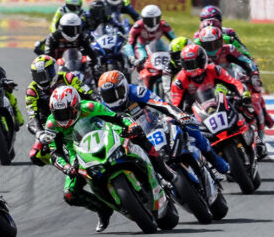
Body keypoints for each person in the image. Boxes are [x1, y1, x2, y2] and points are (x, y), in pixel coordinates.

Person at [40, 86, 166, 232]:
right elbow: (54, 153)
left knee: (137, 135)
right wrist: (67, 168)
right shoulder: (51, 125)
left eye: (65, 112)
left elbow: (119, 117)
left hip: (107, 134)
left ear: (76, 106)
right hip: (78, 153)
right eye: (57, 113)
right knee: (70, 194)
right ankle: (103, 208)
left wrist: (131, 125)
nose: (62, 117)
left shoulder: (91, 107)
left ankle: (163, 171)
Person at [97, 70, 230, 177]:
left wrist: (179, 115)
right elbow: (104, 132)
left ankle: (217, 162)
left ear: (125, 87)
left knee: (191, 127)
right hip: (132, 141)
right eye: (108, 95)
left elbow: (161, 104)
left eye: (117, 92)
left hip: (154, 125)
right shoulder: (102, 108)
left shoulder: (136, 91)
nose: (113, 97)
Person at [168, 44, 265, 157]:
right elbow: (175, 104)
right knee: (186, 136)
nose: (192, 68)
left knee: (246, 107)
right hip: (195, 113)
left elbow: (234, 83)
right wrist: (177, 117)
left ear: (202, 60)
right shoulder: (179, 81)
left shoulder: (214, 69)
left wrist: (245, 95)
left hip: (218, 102)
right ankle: (204, 163)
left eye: (194, 63)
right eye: (188, 65)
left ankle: (257, 140)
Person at [195, 25, 274, 132]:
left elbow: (247, 61)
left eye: (215, 44)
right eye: (208, 45)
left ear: (221, 41)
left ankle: (258, 120)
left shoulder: (229, 49)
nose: (212, 48)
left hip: (230, 79)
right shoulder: (197, 52)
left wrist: (253, 73)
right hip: (208, 85)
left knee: (252, 96)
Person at [25, 55, 95, 164]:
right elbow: (32, 116)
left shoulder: (68, 77)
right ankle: (64, 163)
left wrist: (95, 101)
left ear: (53, 70)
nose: (43, 80)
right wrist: (40, 133)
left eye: (45, 75)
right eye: (39, 76)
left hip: (75, 114)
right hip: (50, 123)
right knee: (36, 156)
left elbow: (87, 93)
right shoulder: (31, 91)